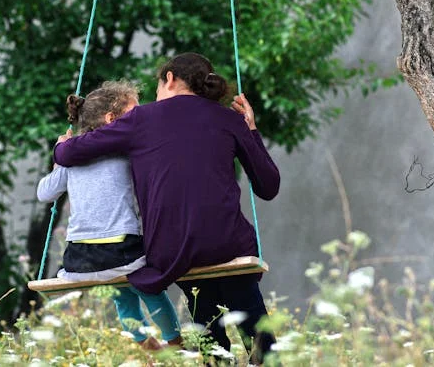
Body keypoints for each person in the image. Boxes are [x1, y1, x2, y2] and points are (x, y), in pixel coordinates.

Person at [53, 53, 280, 363]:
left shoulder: (141, 119)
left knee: (208, 330)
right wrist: (251, 130)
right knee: (254, 326)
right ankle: (263, 353)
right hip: (226, 243)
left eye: (158, 86)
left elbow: (68, 154)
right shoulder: (228, 119)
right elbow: (268, 187)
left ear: (170, 79)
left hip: (172, 251)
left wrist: (62, 144)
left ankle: (217, 356)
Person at [36, 80, 181, 350]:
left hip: (79, 261)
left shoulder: (70, 157)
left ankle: (146, 346)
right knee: (151, 288)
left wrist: (58, 160)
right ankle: (176, 343)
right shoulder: (126, 153)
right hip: (122, 252)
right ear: (111, 119)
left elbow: (44, 194)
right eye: (134, 114)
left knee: (121, 295)